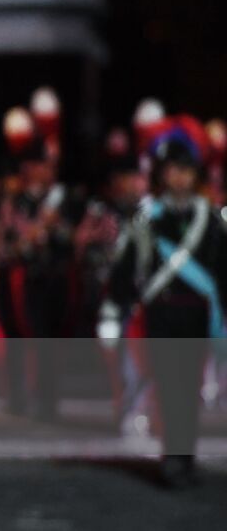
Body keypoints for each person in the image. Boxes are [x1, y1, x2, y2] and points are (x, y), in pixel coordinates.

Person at [103, 119, 227, 488]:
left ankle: (184, 455)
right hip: (161, 312)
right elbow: (126, 269)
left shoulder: (209, 219)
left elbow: (222, 269)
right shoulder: (147, 219)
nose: (179, 179)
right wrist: (114, 308)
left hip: (195, 312)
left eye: (186, 171)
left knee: (189, 386)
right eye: (173, 171)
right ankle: (173, 456)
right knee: (167, 383)